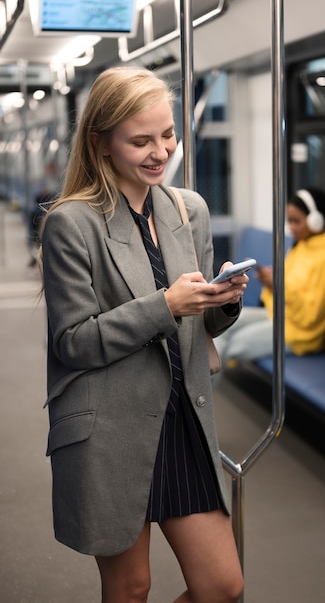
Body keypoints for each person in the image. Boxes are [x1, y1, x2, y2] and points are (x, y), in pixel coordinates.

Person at [40, 66, 245, 603]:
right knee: (131, 588)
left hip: (183, 420)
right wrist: (166, 305)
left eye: (168, 135)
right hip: (112, 425)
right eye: (141, 141)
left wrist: (223, 301)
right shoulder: (72, 223)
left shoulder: (187, 209)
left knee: (222, 587)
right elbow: (74, 342)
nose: (160, 152)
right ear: (101, 142)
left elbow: (199, 327)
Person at [212, 188, 325, 386]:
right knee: (218, 324)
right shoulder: (302, 245)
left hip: (300, 334)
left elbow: (311, 315)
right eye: (290, 221)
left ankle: (199, 408)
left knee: (228, 345)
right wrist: (273, 282)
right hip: (279, 314)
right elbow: (290, 288)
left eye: (297, 221)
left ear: (316, 220)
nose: (292, 228)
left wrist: (277, 284)